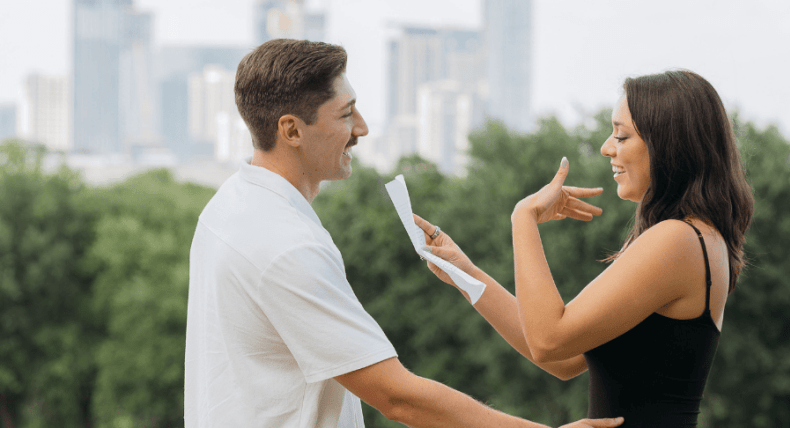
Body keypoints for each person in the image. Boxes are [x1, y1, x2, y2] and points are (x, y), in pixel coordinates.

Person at [184, 38, 624, 428]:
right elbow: (397, 397)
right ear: (291, 130)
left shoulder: (230, 206)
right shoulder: (285, 244)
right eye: (345, 113)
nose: (363, 128)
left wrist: (465, 273)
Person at [416, 70, 754, 427]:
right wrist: (465, 274)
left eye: (621, 136)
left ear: (667, 145)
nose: (607, 147)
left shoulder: (677, 240)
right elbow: (563, 359)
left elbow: (549, 339)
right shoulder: (690, 237)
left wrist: (523, 217)